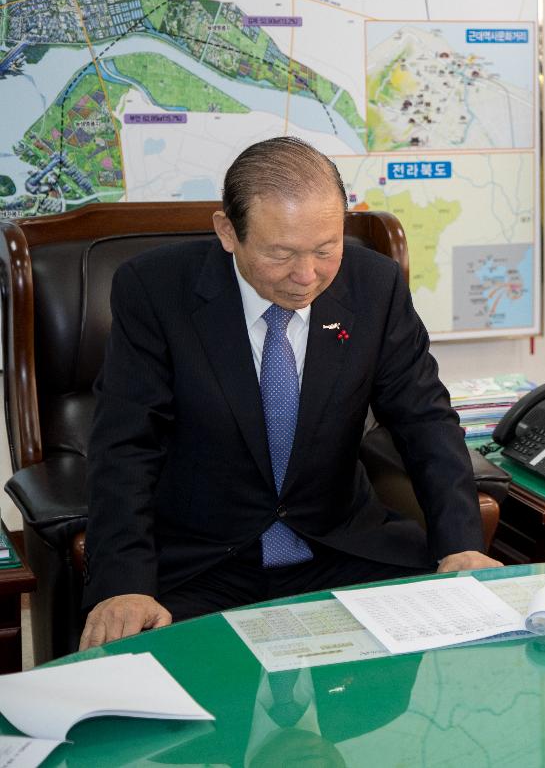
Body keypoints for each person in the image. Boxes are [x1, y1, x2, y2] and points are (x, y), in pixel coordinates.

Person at [80, 136, 500, 648]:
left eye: (326, 250)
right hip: (202, 562)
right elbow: (125, 444)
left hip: (341, 548)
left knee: (378, 708)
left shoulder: (375, 286)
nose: (306, 278)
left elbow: (424, 419)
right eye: (281, 254)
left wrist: (460, 546)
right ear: (228, 231)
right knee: (184, 706)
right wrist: (124, 585)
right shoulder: (154, 289)